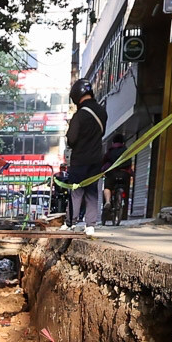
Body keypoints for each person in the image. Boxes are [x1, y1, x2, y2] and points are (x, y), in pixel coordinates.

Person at [63, 79, 107, 232]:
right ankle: (91, 225)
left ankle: (70, 222)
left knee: (76, 191)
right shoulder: (102, 112)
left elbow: (72, 139)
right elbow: (103, 133)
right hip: (96, 159)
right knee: (92, 192)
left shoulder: (80, 115)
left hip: (80, 159)